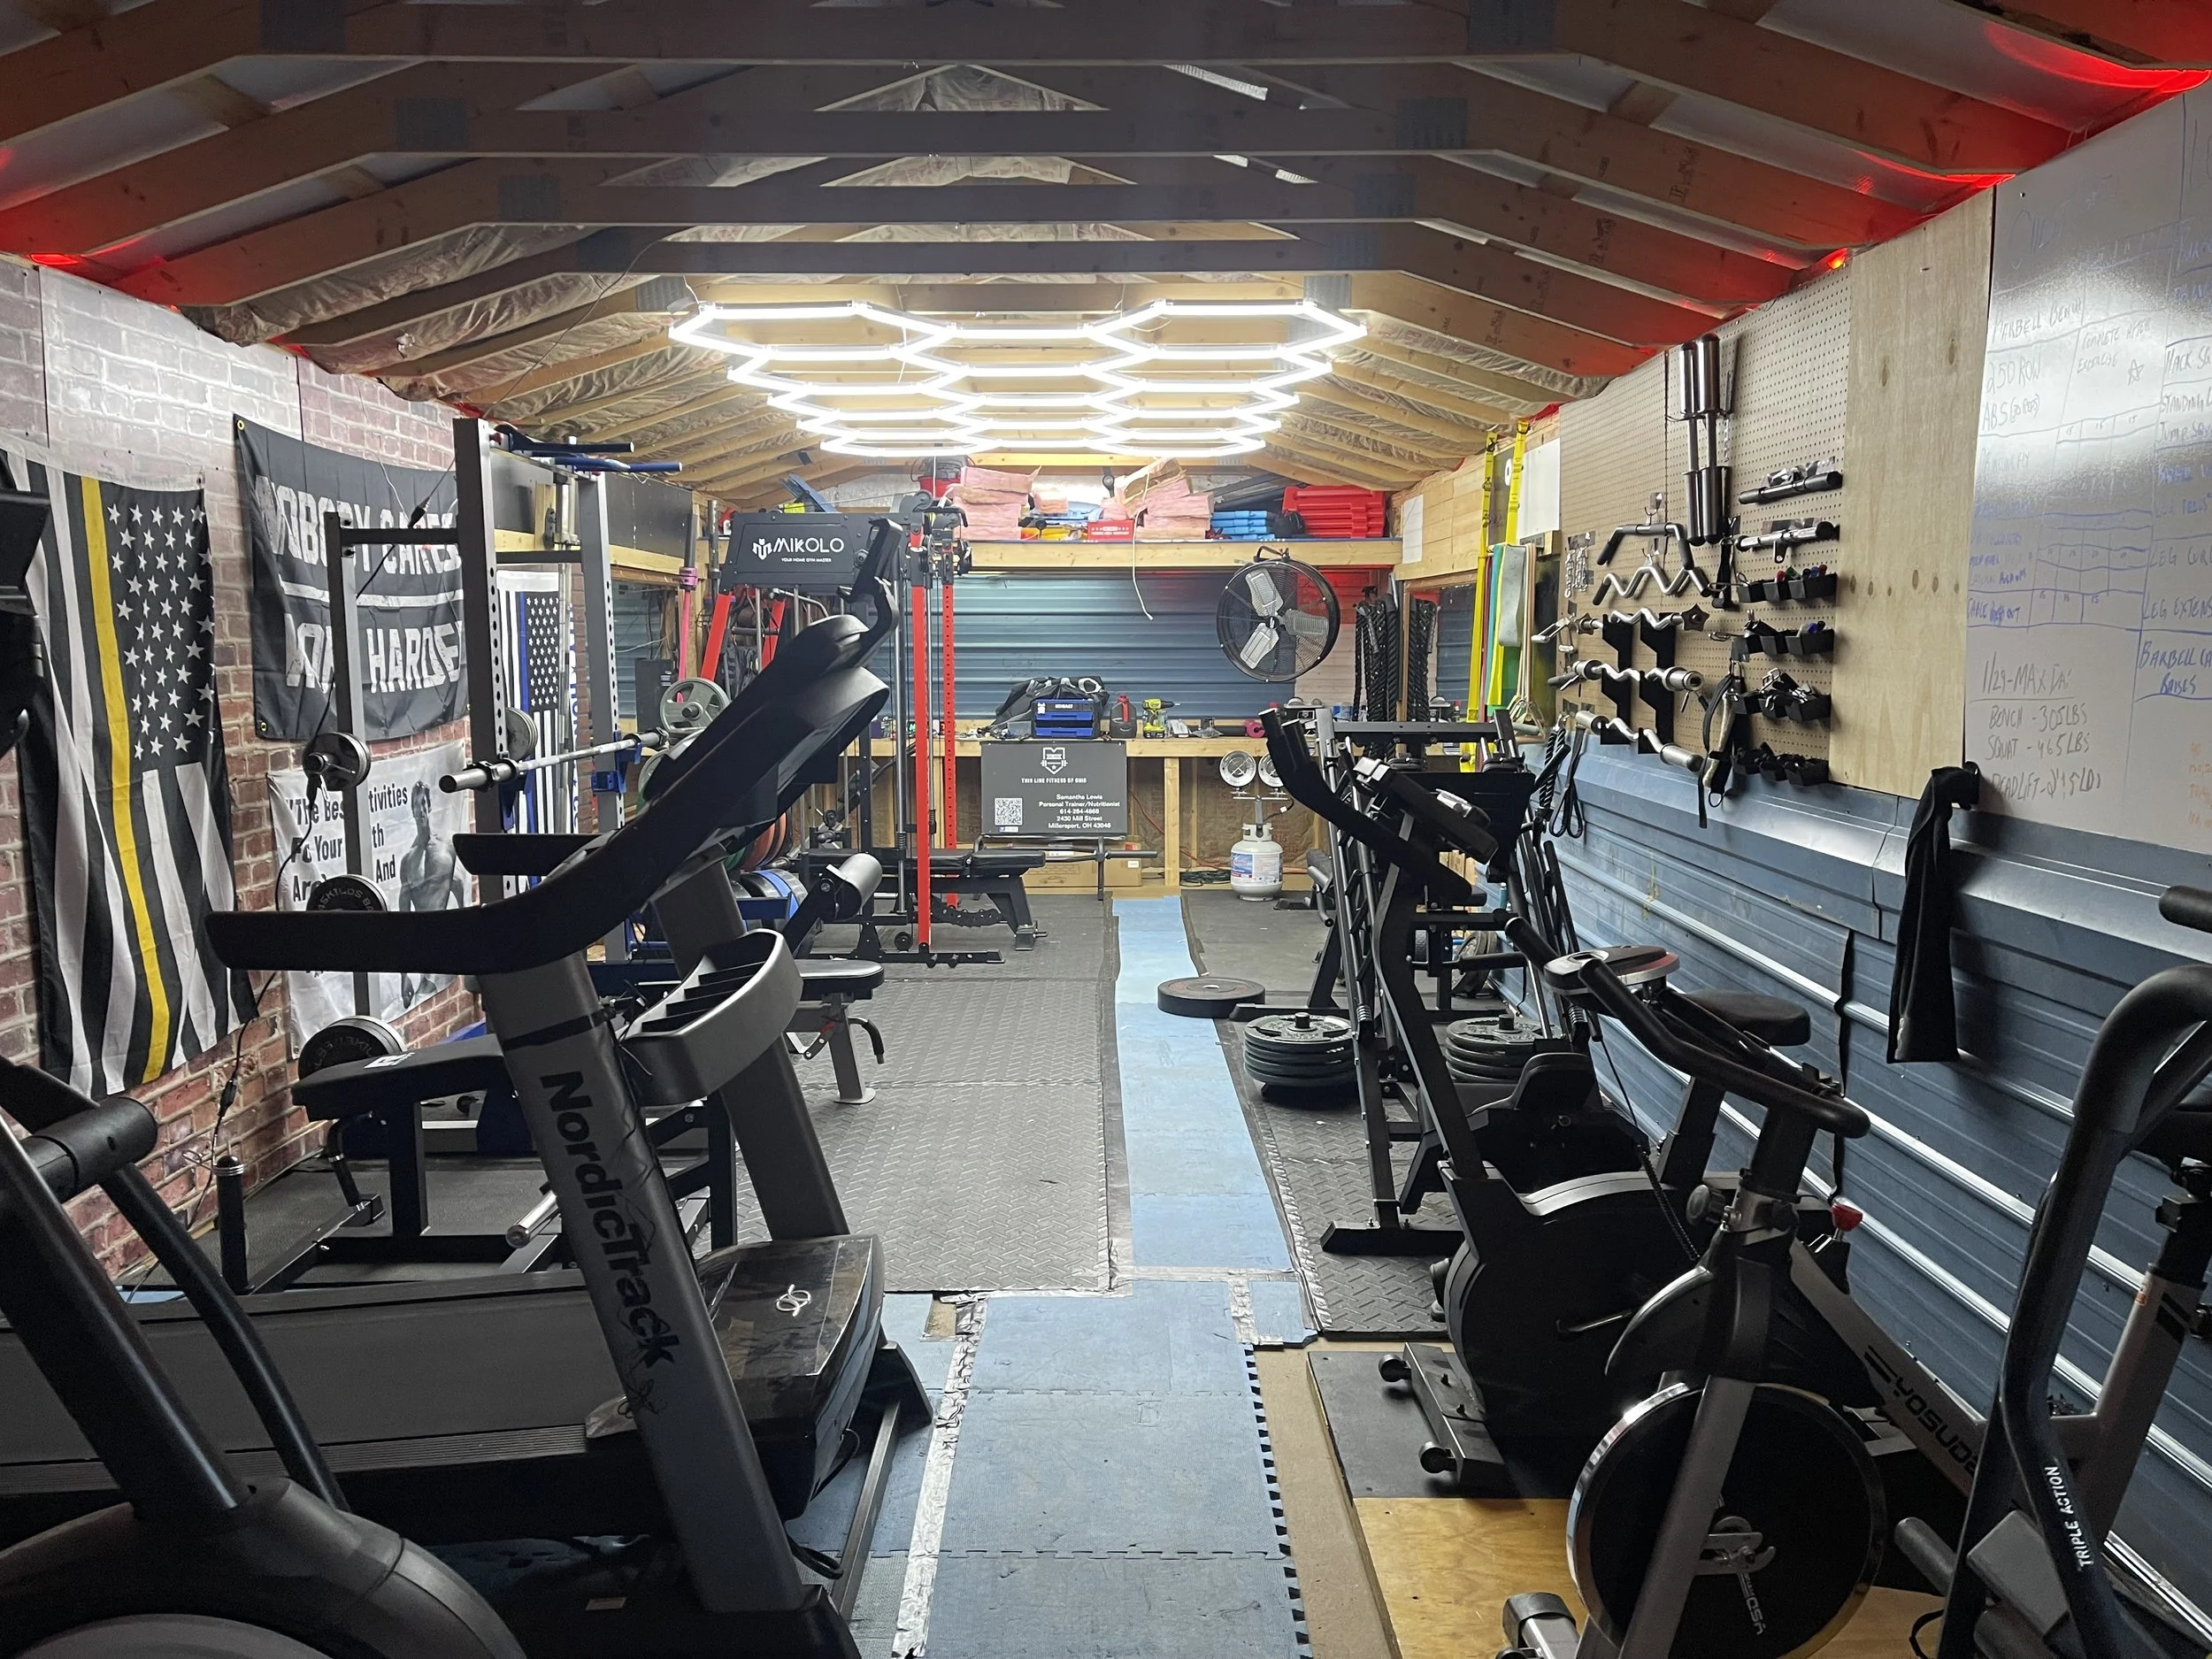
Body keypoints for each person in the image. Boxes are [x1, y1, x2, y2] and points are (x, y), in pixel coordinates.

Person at [397, 778, 465, 1004]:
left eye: (425, 805)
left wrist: (470, 938)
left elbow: (457, 884)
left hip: (448, 943)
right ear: (412, 812)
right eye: (417, 807)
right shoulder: (408, 860)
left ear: (430, 806)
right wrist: (403, 976)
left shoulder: (447, 847)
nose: (422, 811)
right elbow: (402, 918)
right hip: (424, 946)